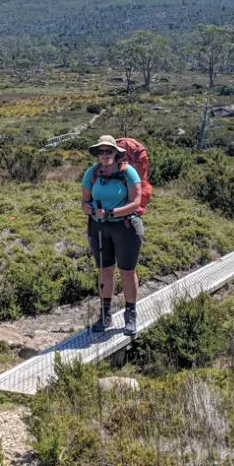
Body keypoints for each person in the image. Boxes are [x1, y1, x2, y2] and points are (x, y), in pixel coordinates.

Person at [81, 135, 143, 336]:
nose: (105, 155)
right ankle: (105, 315)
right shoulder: (92, 173)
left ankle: (130, 315)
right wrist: (88, 209)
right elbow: (84, 202)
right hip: (99, 229)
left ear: (116, 153)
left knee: (127, 271)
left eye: (109, 151)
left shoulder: (128, 172)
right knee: (105, 271)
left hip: (125, 227)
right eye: (102, 151)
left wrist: (112, 213)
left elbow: (136, 202)